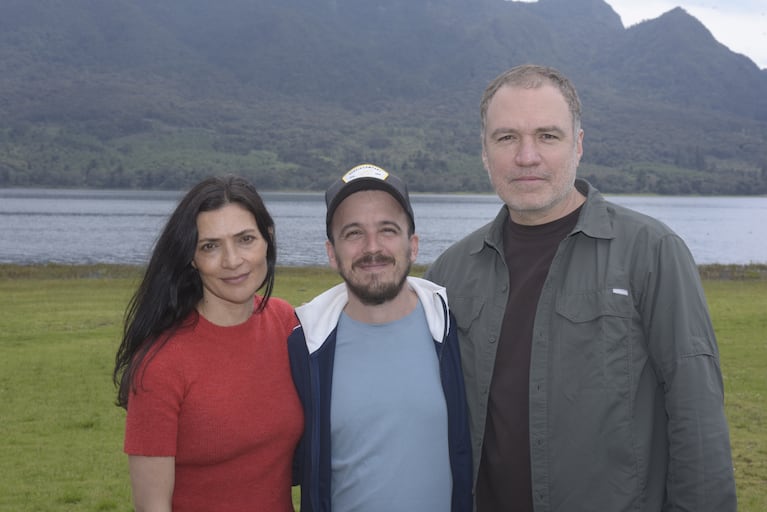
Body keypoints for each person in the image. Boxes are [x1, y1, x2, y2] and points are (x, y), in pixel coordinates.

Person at [425, 64, 737, 511]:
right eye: (507, 137)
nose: (526, 156)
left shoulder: (651, 253)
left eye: (548, 136)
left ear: (579, 145)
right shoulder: (448, 274)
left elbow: (697, 417)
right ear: (484, 151)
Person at [288, 164, 473, 512]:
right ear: (331, 253)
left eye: (387, 230)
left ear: (413, 245)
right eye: (353, 233)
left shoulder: (454, 330)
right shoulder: (305, 348)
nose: (372, 248)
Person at [112, 175, 302, 511]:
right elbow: (152, 506)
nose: (232, 261)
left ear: (267, 239)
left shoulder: (285, 322)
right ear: (191, 258)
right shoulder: (161, 364)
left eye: (245, 239)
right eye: (210, 246)